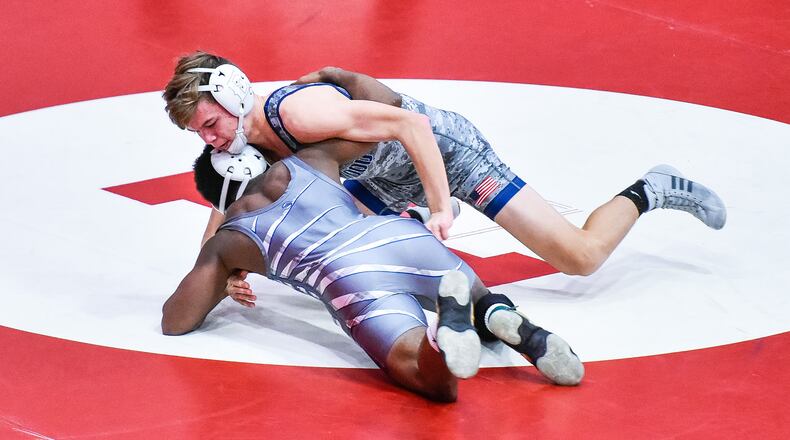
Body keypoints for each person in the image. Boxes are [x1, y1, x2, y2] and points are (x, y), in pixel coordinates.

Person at [163, 51, 727, 278]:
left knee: (579, 258)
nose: (211, 142)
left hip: (445, 154)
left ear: (233, 93)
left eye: (210, 124)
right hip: (379, 180)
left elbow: (413, 126)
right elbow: (229, 205)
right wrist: (219, 273)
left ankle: (650, 189)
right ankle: (412, 229)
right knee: (334, 257)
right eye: (199, 134)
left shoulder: (299, 113)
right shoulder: (241, 141)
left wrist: (439, 206)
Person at [161, 143, 584, 402]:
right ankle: (496, 315)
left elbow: (175, 320)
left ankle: (443, 335)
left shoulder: (228, 240)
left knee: (424, 376)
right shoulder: (313, 158)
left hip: (347, 276)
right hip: (397, 233)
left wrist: (223, 270)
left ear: (217, 200)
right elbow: (385, 121)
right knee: (477, 299)